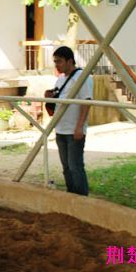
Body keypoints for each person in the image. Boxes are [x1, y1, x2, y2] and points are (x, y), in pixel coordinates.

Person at [44, 46, 93, 196]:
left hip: (74, 130)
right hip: (61, 129)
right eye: (55, 62)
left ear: (69, 61)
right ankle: (71, 195)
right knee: (66, 166)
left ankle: (81, 197)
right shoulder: (60, 80)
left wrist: (79, 127)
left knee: (75, 165)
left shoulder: (82, 78)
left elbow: (86, 102)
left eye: (59, 61)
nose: (56, 65)